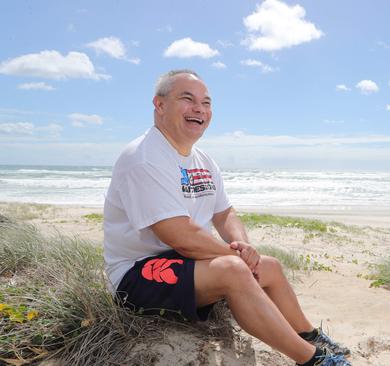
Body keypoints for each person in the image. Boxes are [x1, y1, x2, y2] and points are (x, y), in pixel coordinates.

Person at [103, 70, 351, 366]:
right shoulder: (143, 157)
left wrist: (241, 245)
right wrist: (240, 260)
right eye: (187, 99)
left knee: (269, 267)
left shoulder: (203, 160)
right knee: (235, 270)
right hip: (136, 275)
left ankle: (308, 334)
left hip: (181, 262)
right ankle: (311, 359)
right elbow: (180, 236)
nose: (199, 109)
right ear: (159, 105)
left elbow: (224, 212)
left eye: (206, 103)